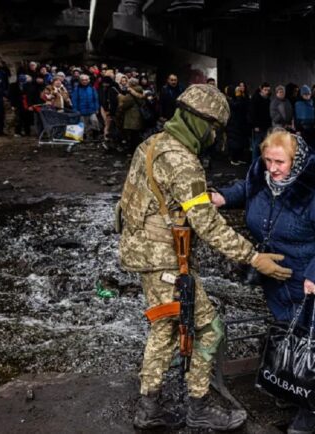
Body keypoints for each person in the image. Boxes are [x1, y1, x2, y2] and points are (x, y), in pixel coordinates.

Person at [118, 84, 291, 431]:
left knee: (165, 328)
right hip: (164, 260)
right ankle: (198, 406)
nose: (215, 137)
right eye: (214, 129)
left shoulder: (152, 144)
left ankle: (148, 406)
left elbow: (129, 203)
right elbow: (207, 224)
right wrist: (253, 257)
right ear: (201, 122)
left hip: (144, 254)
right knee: (210, 329)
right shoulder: (182, 160)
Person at [212, 129, 315, 434]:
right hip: (280, 276)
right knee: (288, 332)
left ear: (298, 159)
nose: (273, 168)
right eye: (268, 160)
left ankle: (310, 408)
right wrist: (224, 196)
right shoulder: (263, 177)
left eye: (280, 162)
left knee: (314, 341)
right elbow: (247, 189)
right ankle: (291, 387)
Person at [117, 77, 147, 150]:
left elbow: (124, 105)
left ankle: (132, 150)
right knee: (136, 134)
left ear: (130, 84)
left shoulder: (130, 94)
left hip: (132, 117)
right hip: (139, 116)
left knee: (133, 135)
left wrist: (120, 99)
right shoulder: (140, 91)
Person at [70, 74, 101, 141]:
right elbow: (74, 100)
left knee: (94, 121)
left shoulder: (92, 88)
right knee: (82, 124)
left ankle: (96, 136)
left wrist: (97, 108)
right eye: (83, 80)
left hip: (91, 110)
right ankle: (83, 138)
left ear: (88, 80)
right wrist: (75, 110)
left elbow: (95, 99)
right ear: (80, 81)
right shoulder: (77, 89)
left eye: (86, 80)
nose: (84, 81)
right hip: (81, 110)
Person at [225, 84, 250, 165]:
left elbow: (245, 106)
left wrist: (242, 96)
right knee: (234, 143)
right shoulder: (230, 100)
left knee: (241, 142)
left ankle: (239, 157)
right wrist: (239, 97)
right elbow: (236, 106)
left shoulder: (239, 99)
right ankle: (233, 158)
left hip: (240, 123)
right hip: (233, 124)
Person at [248, 82, 272, 161]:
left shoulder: (267, 99)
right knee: (257, 145)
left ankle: (263, 162)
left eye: (268, 90)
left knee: (264, 144)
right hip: (258, 126)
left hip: (266, 125)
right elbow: (252, 113)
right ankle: (254, 162)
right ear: (261, 89)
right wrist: (255, 125)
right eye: (265, 90)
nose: (266, 92)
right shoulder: (255, 99)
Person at [294, 85, 315, 150]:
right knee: (303, 147)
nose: (307, 96)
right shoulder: (298, 104)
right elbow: (296, 117)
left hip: (312, 129)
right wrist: (298, 129)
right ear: (302, 95)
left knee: (312, 147)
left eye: (309, 94)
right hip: (303, 129)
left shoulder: (313, 102)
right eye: (305, 94)